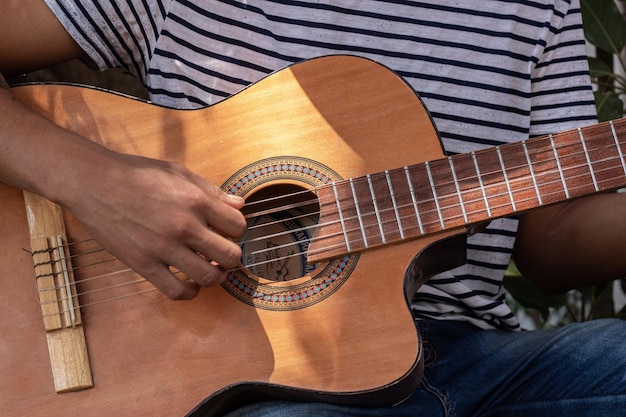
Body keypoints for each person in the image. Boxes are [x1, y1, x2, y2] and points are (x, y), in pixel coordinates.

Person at [1, 1, 626, 416]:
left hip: (482, 365)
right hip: (255, 382)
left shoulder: (542, 6)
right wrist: (93, 183)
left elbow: (553, 238)